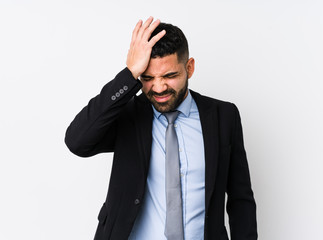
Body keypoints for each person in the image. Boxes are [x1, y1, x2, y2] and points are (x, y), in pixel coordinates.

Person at [65, 16, 257, 240]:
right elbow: (77, 141)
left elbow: (240, 198)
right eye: (148, 78)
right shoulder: (128, 115)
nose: (159, 87)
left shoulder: (223, 116)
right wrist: (129, 74)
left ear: (190, 67)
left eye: (170, 75)